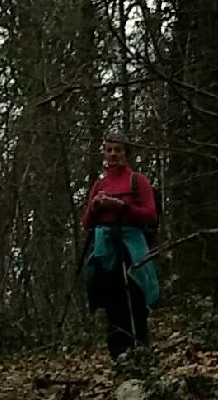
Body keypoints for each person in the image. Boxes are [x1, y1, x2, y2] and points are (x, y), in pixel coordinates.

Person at [79, 132, 160, 361]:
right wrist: (96, 207)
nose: (113, 155)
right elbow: (86, 222)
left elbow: (151, 215)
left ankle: (140, 344)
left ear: (126, 154)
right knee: (111, 299)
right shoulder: (99, 184)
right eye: (109, 150)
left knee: (135, 293)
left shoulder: (138, 181)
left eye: (118, 150)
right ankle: (118, 351)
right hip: (106, 247)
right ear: (104, 153)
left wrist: (122, 207)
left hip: (131, 244)